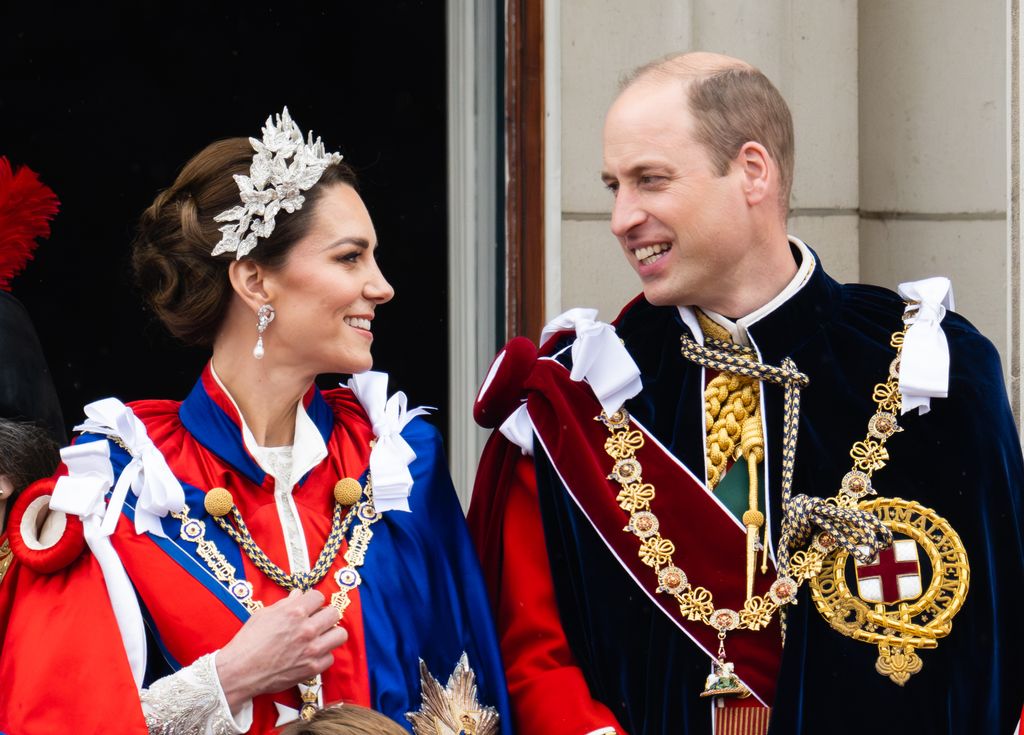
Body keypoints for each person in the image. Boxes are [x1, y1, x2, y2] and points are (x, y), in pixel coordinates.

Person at [469, 52, 1024, 734]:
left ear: (752, 172)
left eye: (650, 181)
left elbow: (998, 643)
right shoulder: (576, 395)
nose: (620, 217)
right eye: (614, 185)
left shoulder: (935, 371)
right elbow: (534, 657)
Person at [0, 109, 510, 734]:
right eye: (350, 258)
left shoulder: (401, 461)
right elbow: (52, 720)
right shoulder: (118, 489)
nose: (382, 287)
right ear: (254, 281)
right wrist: (229, 677)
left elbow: (473, 692)